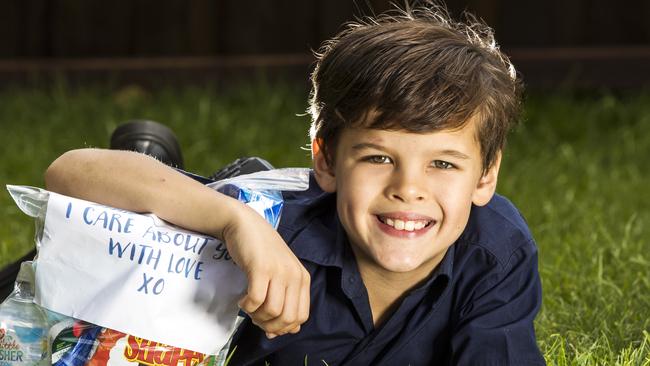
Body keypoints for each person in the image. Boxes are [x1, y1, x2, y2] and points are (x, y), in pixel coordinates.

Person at [45, 3, 545, 365]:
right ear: (326, 161)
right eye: (377, 157)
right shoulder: (271, 222)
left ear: (486, 176)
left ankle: (155, 154)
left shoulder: (496, 252)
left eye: (443, 164)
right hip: (248, 199)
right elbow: (68, 173)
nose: (408, 189)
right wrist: (236, 223)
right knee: (149, 210)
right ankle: (151, 157)